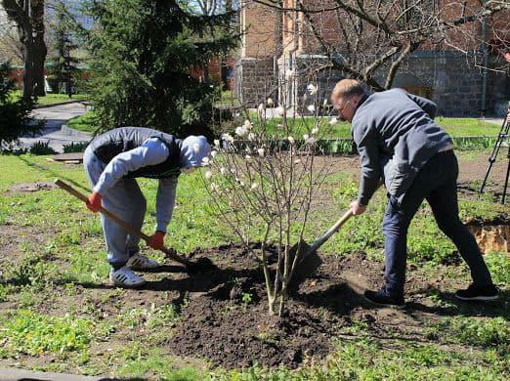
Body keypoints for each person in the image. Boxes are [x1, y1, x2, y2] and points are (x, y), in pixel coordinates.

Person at [330, 79, 498, 307]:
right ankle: (484, 286)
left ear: (355, 100)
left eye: (341, 110)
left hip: (419, 166)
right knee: (450, 223)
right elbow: (431, 108)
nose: (341, 116)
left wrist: (361, 202)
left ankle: (392, 293)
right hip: (445, 154)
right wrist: (415, 132)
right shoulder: (395, 93)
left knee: (393, 224)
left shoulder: (360, 121)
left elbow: (370, 169)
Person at [83, 127, 211, 288]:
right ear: (185, 155)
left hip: (120, 167)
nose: (192, 169)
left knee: (138, 205)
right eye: (192, 165)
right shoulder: (161, 150)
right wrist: (98, 192)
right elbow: (119, 162)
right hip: (101, 158)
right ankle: (117, 268)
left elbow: (166, 196)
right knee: (120, 209)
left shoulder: (175, 166)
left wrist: (161, 230)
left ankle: (131, 255)